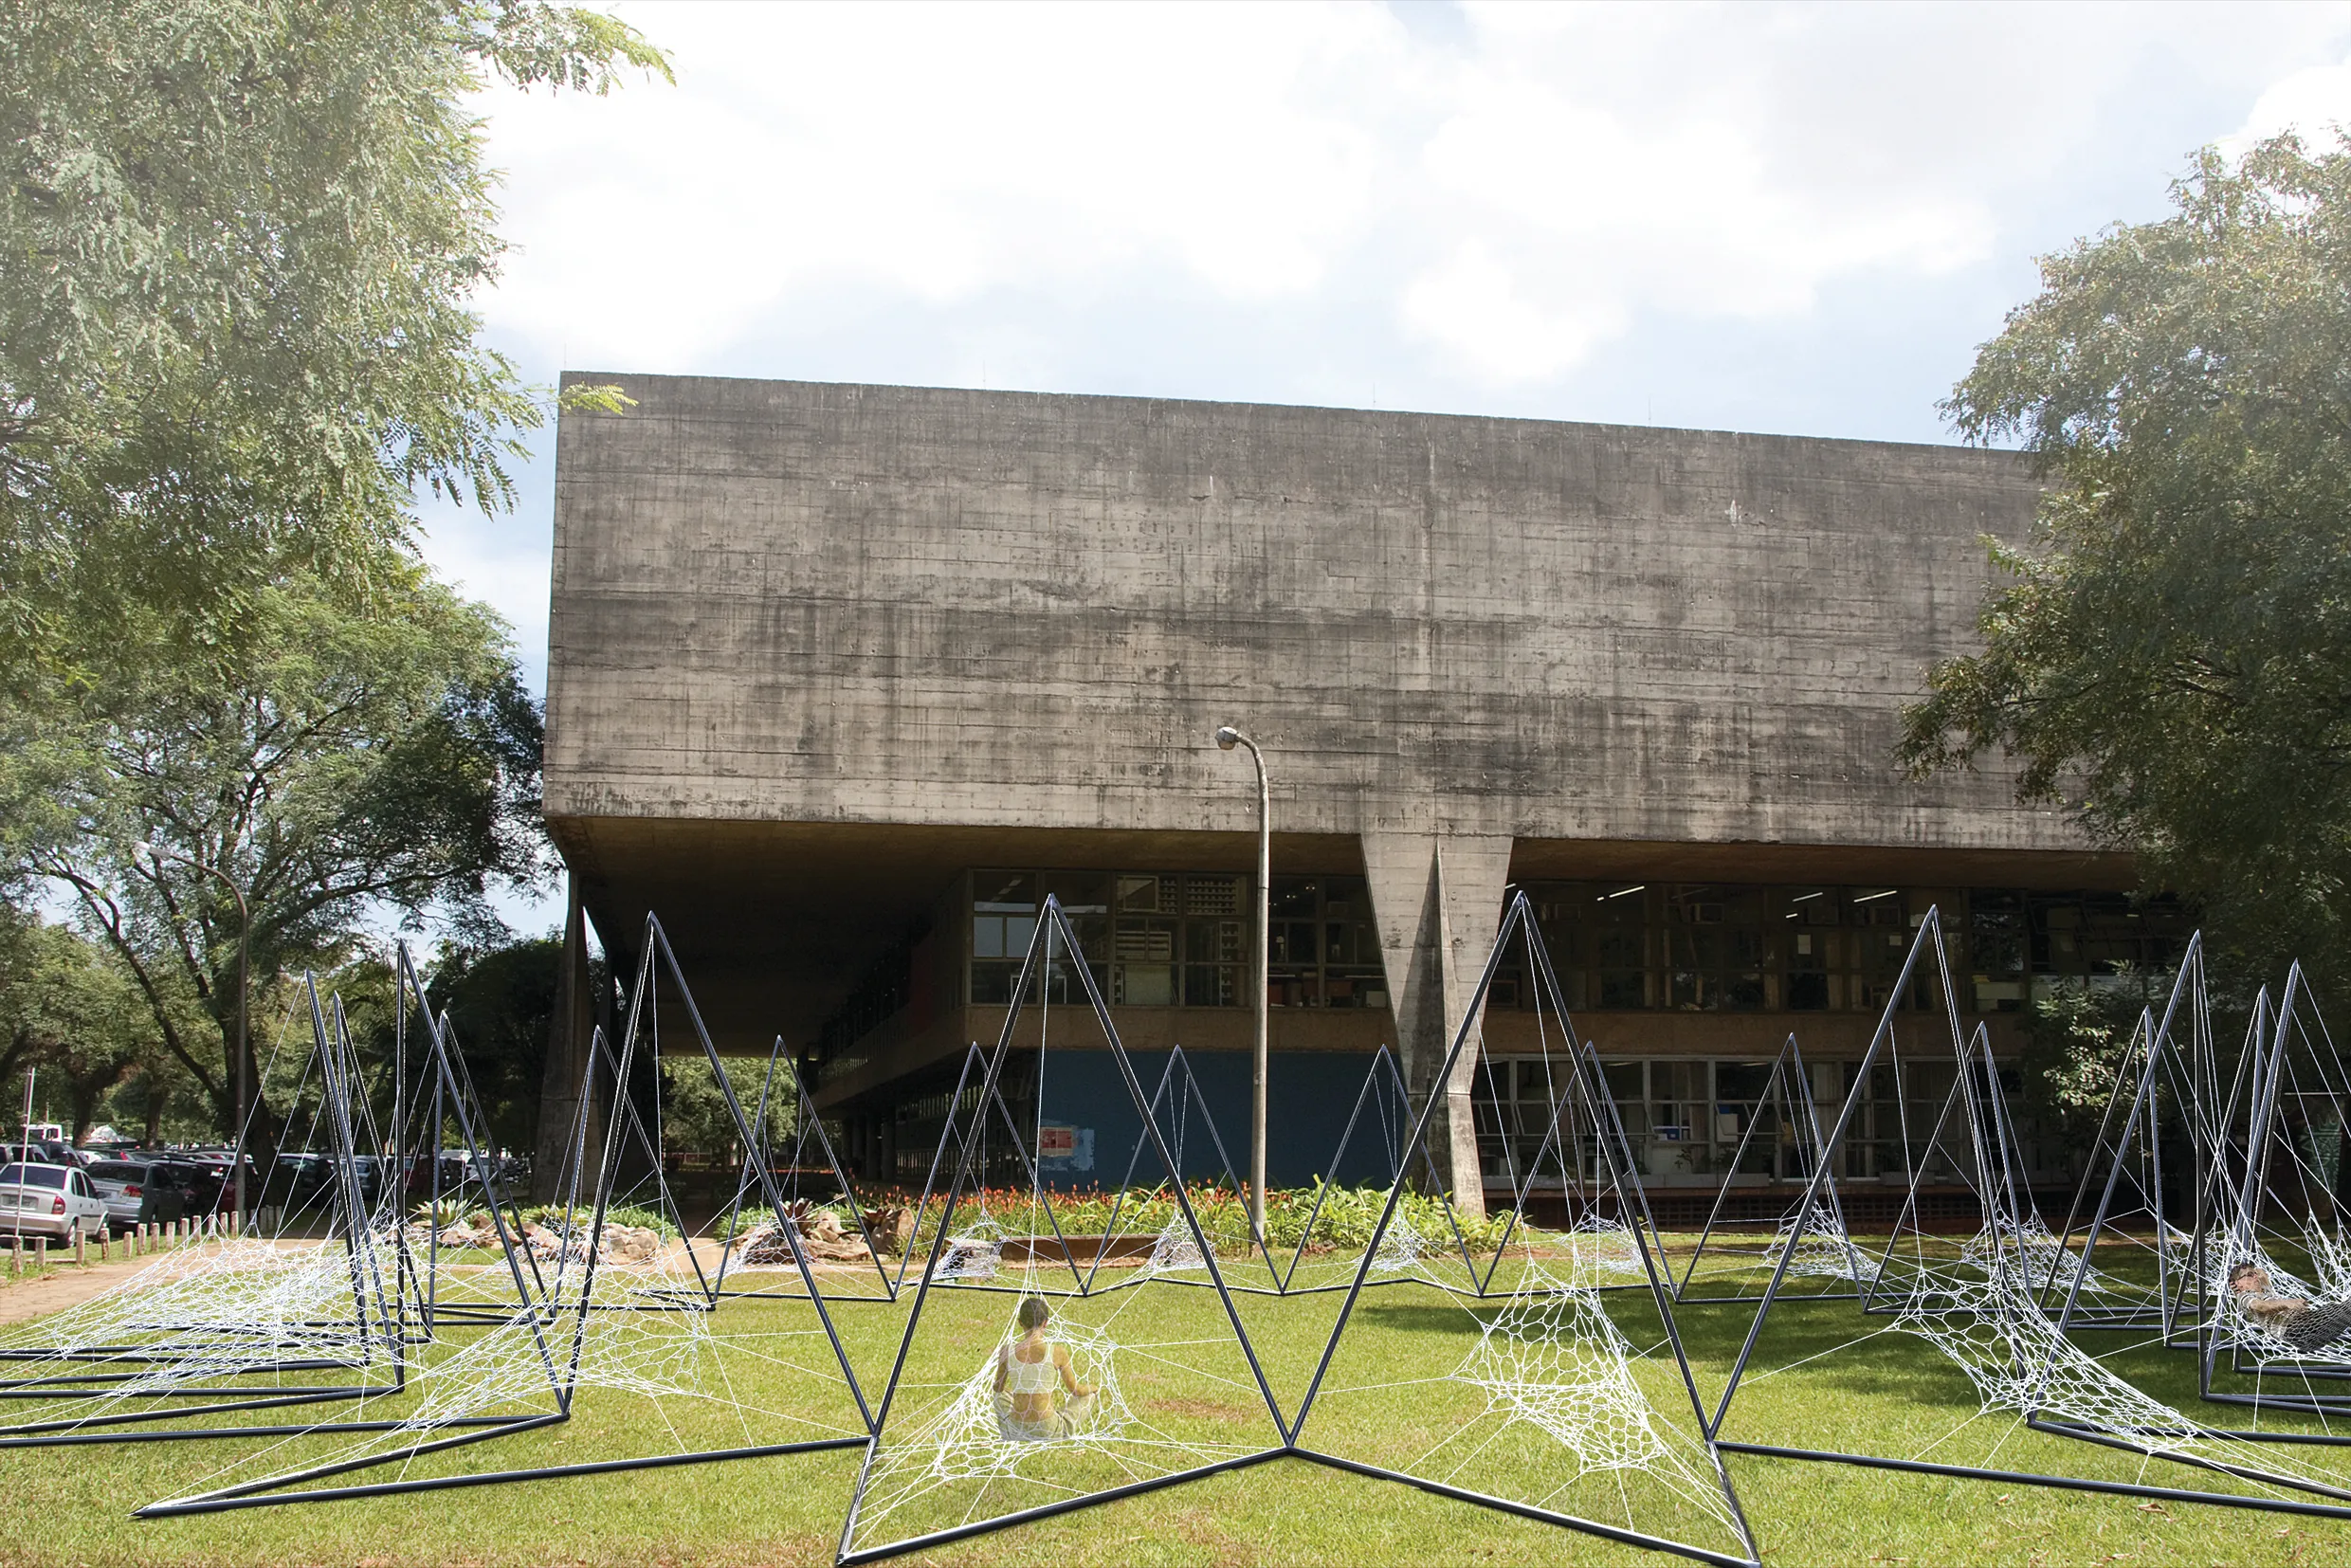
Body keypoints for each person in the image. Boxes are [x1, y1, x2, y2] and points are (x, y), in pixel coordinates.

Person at [993, 1295, 1095, 1442]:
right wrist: (1092, 1388)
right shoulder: (1057, 1352)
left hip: (1015, 1430)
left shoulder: (1006, 1351)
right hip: (1047, 1430)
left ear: (1020, 1323)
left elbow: (998, 1388)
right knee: (1088, 1396)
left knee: (1000, 1396)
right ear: (1046, 1323)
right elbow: (1076, 1391)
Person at [2226, 1261, 2351, 1354]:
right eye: (2249, 1275)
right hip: (2298, 1329)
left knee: (2341, 1311)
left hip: (2309, 1329)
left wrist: (2254, 1273)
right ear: (2238, 1283)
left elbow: (2262, 1274)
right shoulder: (2245, 1297)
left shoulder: (2265, 1292)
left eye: (2254, 1274)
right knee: (2343, 1310)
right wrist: (2287, 1303)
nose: (2255, 1277)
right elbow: (2260, 1306)